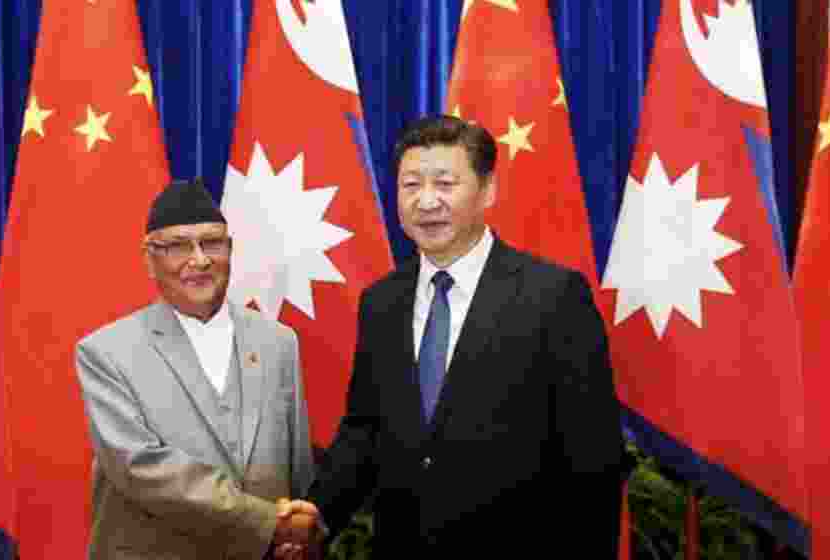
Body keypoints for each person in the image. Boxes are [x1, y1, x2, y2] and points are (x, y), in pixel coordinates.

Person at [278, 115, 624, 557]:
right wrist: (320, 514)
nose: (426, 202)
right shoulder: (382, 302)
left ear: (487, 190)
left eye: (444, 183)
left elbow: (593, 458)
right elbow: (365, 430)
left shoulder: (553, 297)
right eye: (410, 185)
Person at [76, 178, 319, 559]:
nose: (200, 259)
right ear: (149, 257)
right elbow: (139, 468)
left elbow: (297, 464)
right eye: (177, 246)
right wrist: (269, 524)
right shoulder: (106, 352)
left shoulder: (279, 342)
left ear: (230, 249)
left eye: (212, 242)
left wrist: (300, 538)